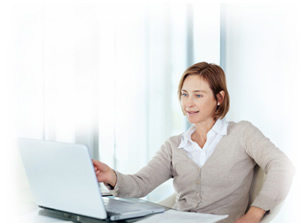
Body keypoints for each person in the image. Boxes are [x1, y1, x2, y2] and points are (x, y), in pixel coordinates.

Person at [93, 62, 294, 223]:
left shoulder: (242, 133)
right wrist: (111, 176)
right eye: (184, 94)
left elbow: (282, 165)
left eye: (198, 95)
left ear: (219, 98)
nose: (188, 103)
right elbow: (140, 185)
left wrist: (254, 213)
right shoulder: (174, 145)